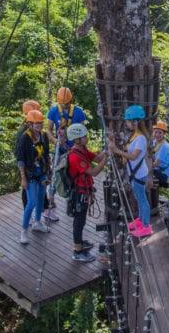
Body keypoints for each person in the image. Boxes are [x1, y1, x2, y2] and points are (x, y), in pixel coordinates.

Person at [107, 104, 153, 238]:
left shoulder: (141, 138)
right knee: (139, 199)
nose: (126, 123)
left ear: (135, 122)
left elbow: (133, 156)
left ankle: (146, 226)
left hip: (139, 174)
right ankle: (140, 219)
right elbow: (129, 152)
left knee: (142, 200)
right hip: (135, 173)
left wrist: (116, 150)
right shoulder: (134, 136)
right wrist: (113, 141)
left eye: (127, 121)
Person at [44, 87, 87, 221]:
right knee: (57, 176)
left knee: (74, 176)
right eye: (63, 104)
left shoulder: (78, 112)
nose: (65, 106)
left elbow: (83, 131)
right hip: (60, 148)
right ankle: (49, 205)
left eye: (67, 103)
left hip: (73, 149)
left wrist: (82, 148)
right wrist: (55, 140)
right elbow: (49, 129)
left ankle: (72, 202)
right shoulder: (54, 111)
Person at [66, 123, 107, 262]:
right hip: (79, 193)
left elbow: (97, 158)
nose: (86, 138)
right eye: (84, 137)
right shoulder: (75, 157)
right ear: (76, 139)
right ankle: (77, 251)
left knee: (81, 220)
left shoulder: (82, 150)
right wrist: (107, 159)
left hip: (85, 190)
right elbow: (94, 172)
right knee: (79, 221)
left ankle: (80, 243)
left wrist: (107, 151)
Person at [15, 109, 51, 244]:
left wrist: (48, 172)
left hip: (41, 171)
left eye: (41, 123)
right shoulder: (25, 138)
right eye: (36, 124)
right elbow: (20, 159)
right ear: (30, 124)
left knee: (41, 197)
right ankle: (23, 231)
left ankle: (37, 222)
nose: (39, 126)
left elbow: (46, 155)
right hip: (30, 173)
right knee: (32, 202)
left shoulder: (43, 136)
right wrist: (23, 178)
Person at [16, 100, 57, 214]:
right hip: (27, 164)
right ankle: (28, 211)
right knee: (27, 188)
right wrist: (23, 173)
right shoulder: (24, 132)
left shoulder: (35, 129)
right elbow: (20, 153)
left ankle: (43, 207)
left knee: (41, 185)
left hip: (38, 164)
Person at [151, 120, 169, 186]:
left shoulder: (165, 146)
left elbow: (156, 163)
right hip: (157, 170)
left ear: (164, 134)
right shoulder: (154, 142)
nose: (157, 134)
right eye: (155, 132)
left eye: (160, 133)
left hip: (163, 174)